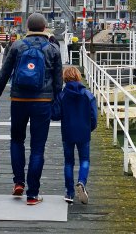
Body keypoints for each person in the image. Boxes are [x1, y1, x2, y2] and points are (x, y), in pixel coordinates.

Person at [0, 12, 62, 206]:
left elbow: (3, 75)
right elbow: (58, 82)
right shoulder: (53, 48)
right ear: (45, 28)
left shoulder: (17, 46)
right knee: (38, 148)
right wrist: (58, 105)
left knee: (17, 141)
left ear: (27, 27)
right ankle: (33, 194)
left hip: (18, 99)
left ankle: (18, 182)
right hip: (43, 102)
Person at [57, 66, 97, 204]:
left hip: (67, 131)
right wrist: (90, 128)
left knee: (69, 162)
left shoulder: (62, 95)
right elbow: (94, 117)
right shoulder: (88, 94)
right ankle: (81, 181)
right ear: (78, 77)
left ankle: (69, 192)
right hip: (83, 131)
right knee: (84, 160)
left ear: (65, 78)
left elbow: (56, 114)